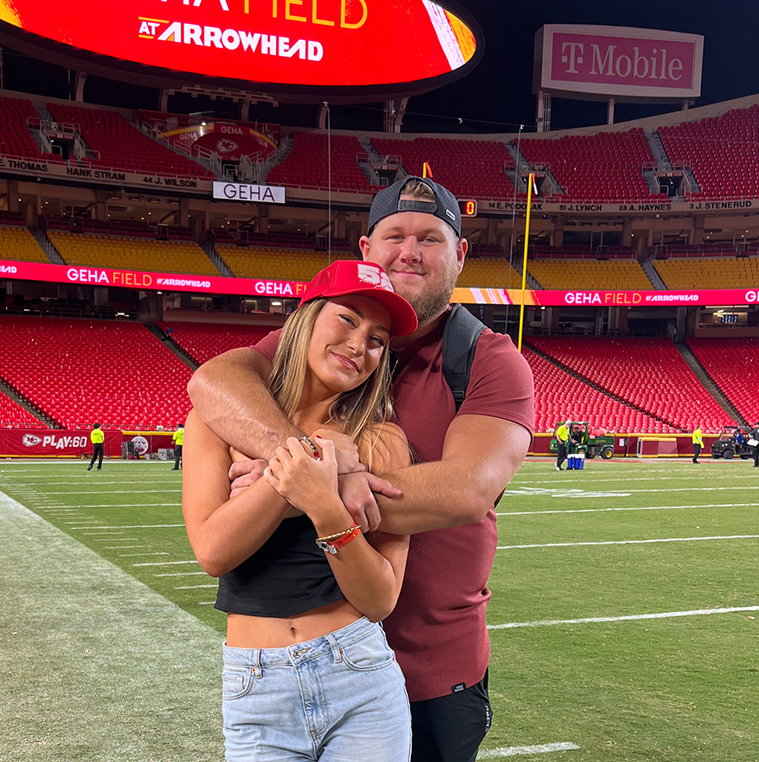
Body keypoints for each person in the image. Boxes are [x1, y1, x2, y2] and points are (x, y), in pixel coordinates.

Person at [188, 175, 535, 762]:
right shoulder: (321, 332)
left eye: (429, 237)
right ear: (366, 251)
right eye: (394, 235)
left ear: (459, 254)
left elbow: (466, 490)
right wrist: (300, 461)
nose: (410, 250)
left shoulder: (490, 360)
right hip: (285, 657)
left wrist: (318, 481)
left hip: (431, 667)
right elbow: (212, 382)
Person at [183, 258, 420, 762]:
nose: (360, 345)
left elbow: (380, 599)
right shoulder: (218, 419)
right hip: (255, 681)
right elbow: (212, 552)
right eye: (348, 319)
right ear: (304, 319)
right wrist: (312, 461)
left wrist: (321, 501)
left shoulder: (380, 439)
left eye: (378, 339)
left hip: (358, 674)